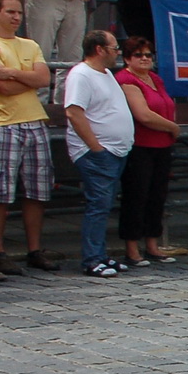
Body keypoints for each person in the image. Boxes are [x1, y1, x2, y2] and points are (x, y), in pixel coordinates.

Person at [0, 0, 51, 274]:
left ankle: (34, 248)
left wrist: (14, 73)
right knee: (1, 193)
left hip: (35, 121)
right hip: (3, 123)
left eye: (19, 12)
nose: (16, 17)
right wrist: (27, 79)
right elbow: (2, 88)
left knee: (37, 190)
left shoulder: (30, 44)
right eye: (10, 12)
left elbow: (44, 78)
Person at [60, 31, 134, 277]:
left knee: (104, 205)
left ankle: (101, 255)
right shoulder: (81, 75)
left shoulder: (107, 75)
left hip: (115, 151)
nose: (118, 52)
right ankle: (92, 259)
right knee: (98, 205)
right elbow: (74, 112)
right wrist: (95, 147)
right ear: (100, 49)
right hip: (97, 153)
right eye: (114, 48)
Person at [112, 35, 176, 267]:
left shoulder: (155, 79)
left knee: (157, 196)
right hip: (140, 146)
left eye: (148, 54)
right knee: (136, 196)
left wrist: (169, 127)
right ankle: (131, 248)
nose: (144, 58)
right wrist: (173, 127)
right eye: (138, 55)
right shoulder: (126, 80)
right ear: (127, 58)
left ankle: (152, 243)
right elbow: (143, 114)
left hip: (162, 145)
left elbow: (167, 105)